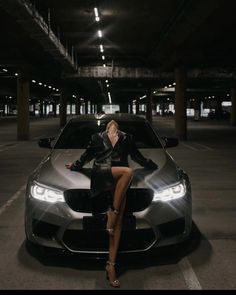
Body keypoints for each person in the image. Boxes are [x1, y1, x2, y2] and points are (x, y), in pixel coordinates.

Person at [65, 120, 158, 288]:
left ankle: (111, 265)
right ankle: (112, 211)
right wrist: (75, 166)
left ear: (118, 127)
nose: (112, 123)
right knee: (128, 171)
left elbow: (137, 156)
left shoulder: (127, 138)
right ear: (107, 127)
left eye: (115, 123)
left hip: (120, 181)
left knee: (117, 225)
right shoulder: (96, 138)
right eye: (110, 123)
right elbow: (87, 156)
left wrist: (150, 165)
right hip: (102, 173)